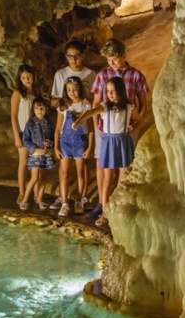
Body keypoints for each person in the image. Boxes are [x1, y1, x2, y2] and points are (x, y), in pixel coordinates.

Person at [88, 38, 149, 219]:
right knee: (103, 164)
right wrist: (97, 127)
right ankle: (102, 203)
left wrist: (136, 125)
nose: (111, 63)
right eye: (108, 60)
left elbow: (142, 103)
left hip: (127, 128)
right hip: (104, 128)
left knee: (124, 165)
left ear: (123, 55)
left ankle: (119, 203)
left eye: (114, 59)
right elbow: (96, 103)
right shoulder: (102, 75)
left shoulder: (136, 76)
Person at [72, 77, 141, 226]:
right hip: (109, 143)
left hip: (123, 142)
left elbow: (139, 120)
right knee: (107, 180)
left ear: (121, 91)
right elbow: (90, 113)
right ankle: (104, 213)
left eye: (113, 91)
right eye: (107, 91)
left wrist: (132, 130)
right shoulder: (105, 107)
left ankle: (120, 210)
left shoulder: (129, 107)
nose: (109, 94)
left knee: (123, 178)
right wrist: (78, 121)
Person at [50, 40, 96, 211]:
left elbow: (96, 102)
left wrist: (88, 103)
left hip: (84, 126)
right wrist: (64, 102)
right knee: (64, 169)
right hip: (66, 133)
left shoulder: (91, 75)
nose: (73, 59)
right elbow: (53, 100)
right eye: (69, 56)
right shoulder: (60, 75)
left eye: (77, 56)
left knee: (82, 167)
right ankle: (64, 200)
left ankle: (80, 198)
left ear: (83, 55)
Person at [54, 76, 94, 217]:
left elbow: (89, 128)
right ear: (65, 90)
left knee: (80, 172)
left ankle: (79, 200)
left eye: (75, 90)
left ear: (80, 90)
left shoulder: (85, 106)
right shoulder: (63, 106)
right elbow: (58, 128)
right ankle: (65, 203)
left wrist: (89, 147)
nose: (72, 92)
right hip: (65, 142)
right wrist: (56, 147)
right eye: (69, 90)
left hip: (80, 142)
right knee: (64, 172)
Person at [19, 97, 56, 211]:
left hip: (46, 154)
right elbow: (25, 140)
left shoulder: (49, 123)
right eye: (37, 108)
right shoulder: (30, 124)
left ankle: (40, 199)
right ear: (33, 110)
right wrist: (35, 149)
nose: (40, 110)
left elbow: (53, 137)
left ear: (46, 109)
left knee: (43, 177)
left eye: (42, 108)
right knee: (34, 178)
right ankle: (25, 199)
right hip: (35, 155)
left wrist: (50, 143)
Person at [10, 64, 39, 204]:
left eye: (29, 77)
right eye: (24, 78)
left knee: (36, 163)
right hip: (23, 132)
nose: (27, 80)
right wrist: (17, 136)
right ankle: (21, 192)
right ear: (20, 79)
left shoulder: (36, 93)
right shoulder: (17, 93)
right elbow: (13, 116)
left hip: (36, 133)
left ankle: (35, 193)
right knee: (23, 162)